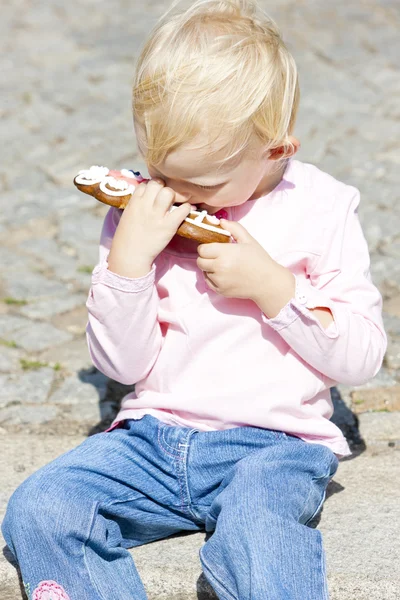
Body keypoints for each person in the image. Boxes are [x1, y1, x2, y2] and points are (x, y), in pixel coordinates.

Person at [2, 0, 387, 598]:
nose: (179, 196)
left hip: (274, 446)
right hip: (150, 437)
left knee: (262, 531)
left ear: (277, 151)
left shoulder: (322, 206)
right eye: (161, 172)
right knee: (43, 506)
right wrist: (129, 261)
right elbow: (122, 366)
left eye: (202, 183)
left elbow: (360, 358)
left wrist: (272, 287)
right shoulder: (142, 212)